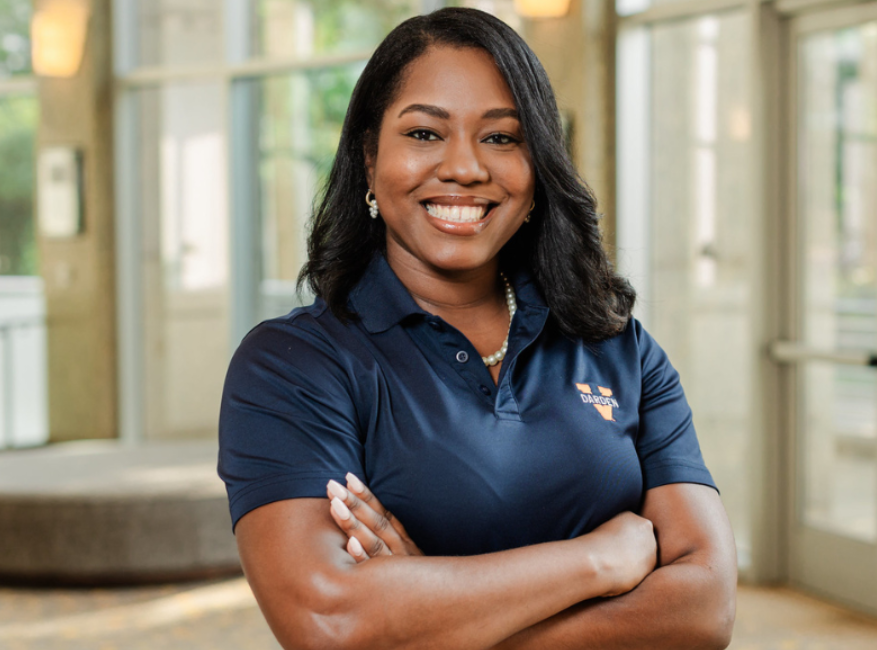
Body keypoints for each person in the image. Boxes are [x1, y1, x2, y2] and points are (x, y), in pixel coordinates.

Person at [217, 7, 736, 649]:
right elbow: (330, 621)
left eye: (501, 138)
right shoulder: (293, 365)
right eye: (426, 135)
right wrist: (599, 562)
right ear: (369, 156)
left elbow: (705, 606)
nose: (465, 168)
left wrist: (428, 614)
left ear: (538, 169)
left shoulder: (617, 346)